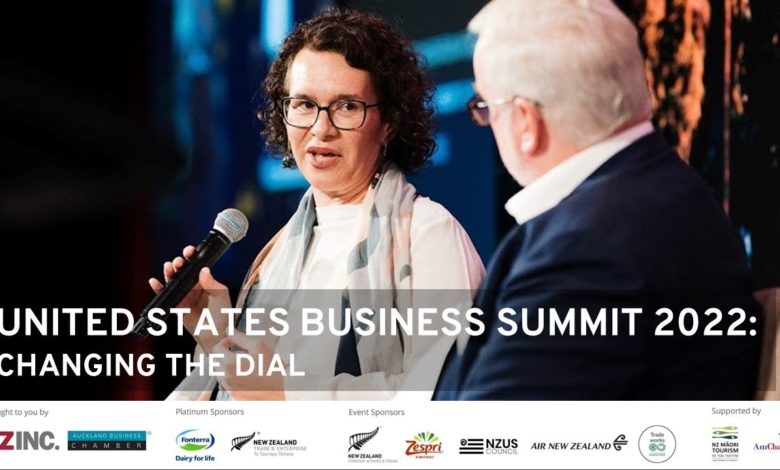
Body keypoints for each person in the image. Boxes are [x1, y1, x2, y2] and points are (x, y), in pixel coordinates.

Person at [434, 0, 762, 399]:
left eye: (484, 107)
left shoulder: (587, 249)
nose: (485, 121)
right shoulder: (649, 198)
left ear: (526, 122)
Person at [151, 8, 484, 400]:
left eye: (347, 106)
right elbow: (252, 395)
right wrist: (219, 337)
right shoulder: (276, 254)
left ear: (389, 122)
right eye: (305, 105)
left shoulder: (427, 233)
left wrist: (288, 393)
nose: (321, 129)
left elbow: (446, 395)